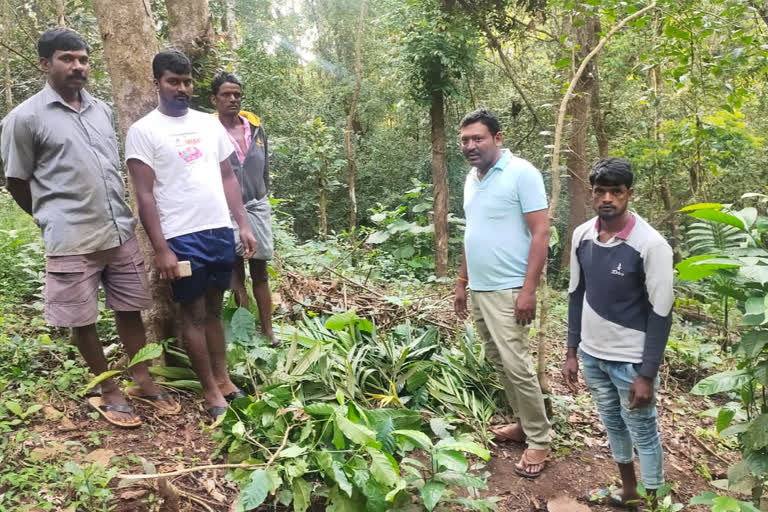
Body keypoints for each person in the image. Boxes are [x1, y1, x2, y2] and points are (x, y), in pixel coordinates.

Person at [0, 28, 178, 427]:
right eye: (67, 58)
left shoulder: (101, 109)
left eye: (82, 58)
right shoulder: (23, 119)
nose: (78, 66)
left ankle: (142, 379)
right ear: (45, 63)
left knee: (129, 309)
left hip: (118, 229)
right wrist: (49, 216)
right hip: (70, 237)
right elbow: (16, 180)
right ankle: (109, 389)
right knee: (82, 318)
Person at [125, 50, 257, 418]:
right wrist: (162, 249)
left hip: (217, 230)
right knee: (193, 312)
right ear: (157, 84)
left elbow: (228, 176)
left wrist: (242, 224)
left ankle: (225, 378)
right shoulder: (143, 131)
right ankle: (210, 391)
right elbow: (145, 195)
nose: (182, 89)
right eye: (173, 82)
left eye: (186, 82)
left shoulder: (208, 124)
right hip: (181, 237)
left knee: (215, 308)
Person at [562, 157, 673, 507]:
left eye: (616, 191)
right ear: (592, 193)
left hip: (631, 361)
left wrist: (647, 373)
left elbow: (662, 312)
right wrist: (571, 351)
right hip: (593, 355)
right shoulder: (582, 235)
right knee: (612, 422)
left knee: (643, 430)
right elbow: (576, 294)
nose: (607, 198)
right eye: (600, 191)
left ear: (629, 194)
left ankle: (653, 499)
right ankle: (628, 491)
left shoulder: (651, 245)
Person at [454, 109, 552, 478]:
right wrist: (463, 283)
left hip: (509, 289)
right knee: (499, 361)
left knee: (517, 365)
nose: (470, 145)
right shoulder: (471, 178)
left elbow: (541, 232)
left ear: (498, 138)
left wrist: (528, 291)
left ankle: (540, 440)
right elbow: (472, 232)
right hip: (480, 288)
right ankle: (524, 424)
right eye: (464, 140)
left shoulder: (522, 173)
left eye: (477, 138)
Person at [210, 72, 276, 346]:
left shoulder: (255, 128)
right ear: (214, 99)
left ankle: (269, 332)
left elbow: (265, 168)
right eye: (226, 94)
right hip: (224, 209)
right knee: (236, 273)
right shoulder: (208, 130)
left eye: (236, 94)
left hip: (257, 205)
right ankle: (244, 332)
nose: (232, 99)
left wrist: (262, 194)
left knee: (260, 272)